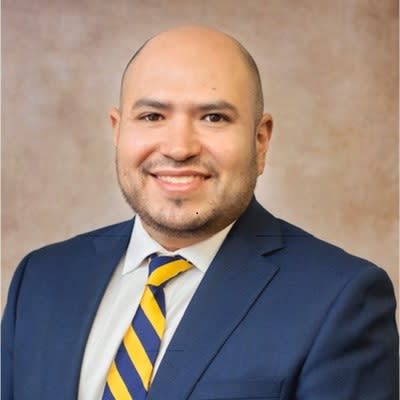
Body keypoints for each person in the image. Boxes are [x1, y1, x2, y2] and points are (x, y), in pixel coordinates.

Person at [2, 26, 398, 400]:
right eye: (152, 116)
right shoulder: (41, 279)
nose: (179, 148)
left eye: (214, 118)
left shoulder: (340, 298)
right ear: (117, 131)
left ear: (260, 141)